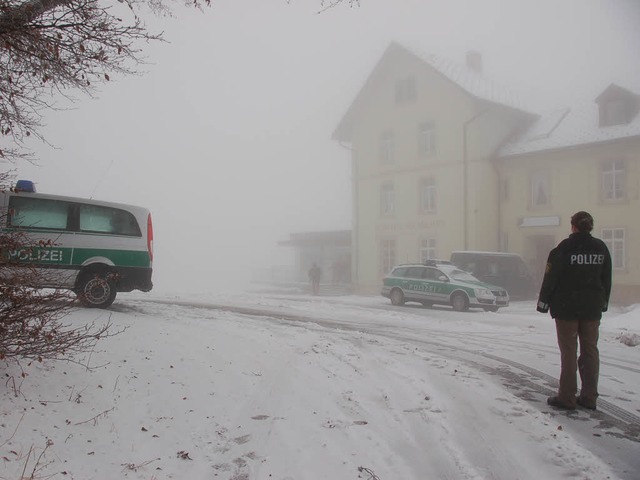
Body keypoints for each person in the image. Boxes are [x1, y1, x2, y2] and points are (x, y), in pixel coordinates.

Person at [537, 211, 612, 410]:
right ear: (590, 227)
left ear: (573, 226)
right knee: (590, 351)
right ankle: (589, 397)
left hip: (566, 308)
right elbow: (606, 278)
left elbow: (550, 278)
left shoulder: (564, 249)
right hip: (591, 308)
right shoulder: (600, 248)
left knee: (569, 352)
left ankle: (567, 397)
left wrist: (543, 303)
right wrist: (603, 302)